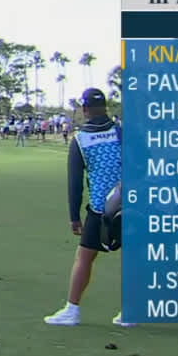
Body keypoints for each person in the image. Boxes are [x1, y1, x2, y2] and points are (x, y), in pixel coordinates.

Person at [44, 87, 132, 328]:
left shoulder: (80, 140)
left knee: (84, 257)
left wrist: (74, 217)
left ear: (84, 110)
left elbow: (75, 183)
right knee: (132, 258)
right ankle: (131, 311)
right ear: (105, 106)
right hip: (129, 204)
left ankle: (72, 310)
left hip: (99, 208)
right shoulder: (121, 132)